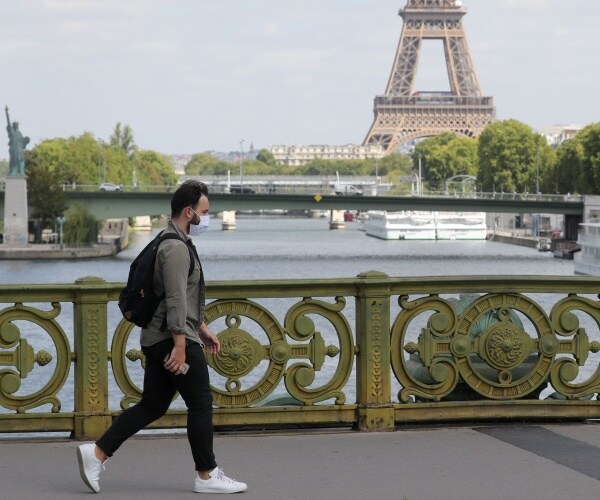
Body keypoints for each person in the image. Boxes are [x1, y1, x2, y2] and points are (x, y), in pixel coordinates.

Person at [77, 180, 247, 494]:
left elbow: (183, 296)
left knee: (152, 405)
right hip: (171, 340)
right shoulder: (176, 248)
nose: (207, 218)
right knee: (200, 403)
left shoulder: (170, 240)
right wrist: (182, 345)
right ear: (189, 211)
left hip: (160, 337)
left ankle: (97, 453)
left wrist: (203, 327)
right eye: (204, 212)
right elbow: (176, 299)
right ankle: (206, 475)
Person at [5, 106, 30, 176]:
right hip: (13, 149)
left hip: (19, 149)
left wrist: (26, 141)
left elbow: (23, 143)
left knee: (20, 160)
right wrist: (6, 112)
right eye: (15, 125)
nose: (17, 126)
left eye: (17, 125)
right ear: (13, 126)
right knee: (13, 160)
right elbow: (8, 122)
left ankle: (20, 171)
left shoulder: (20, 134)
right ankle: (13, 171)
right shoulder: (11, 131)